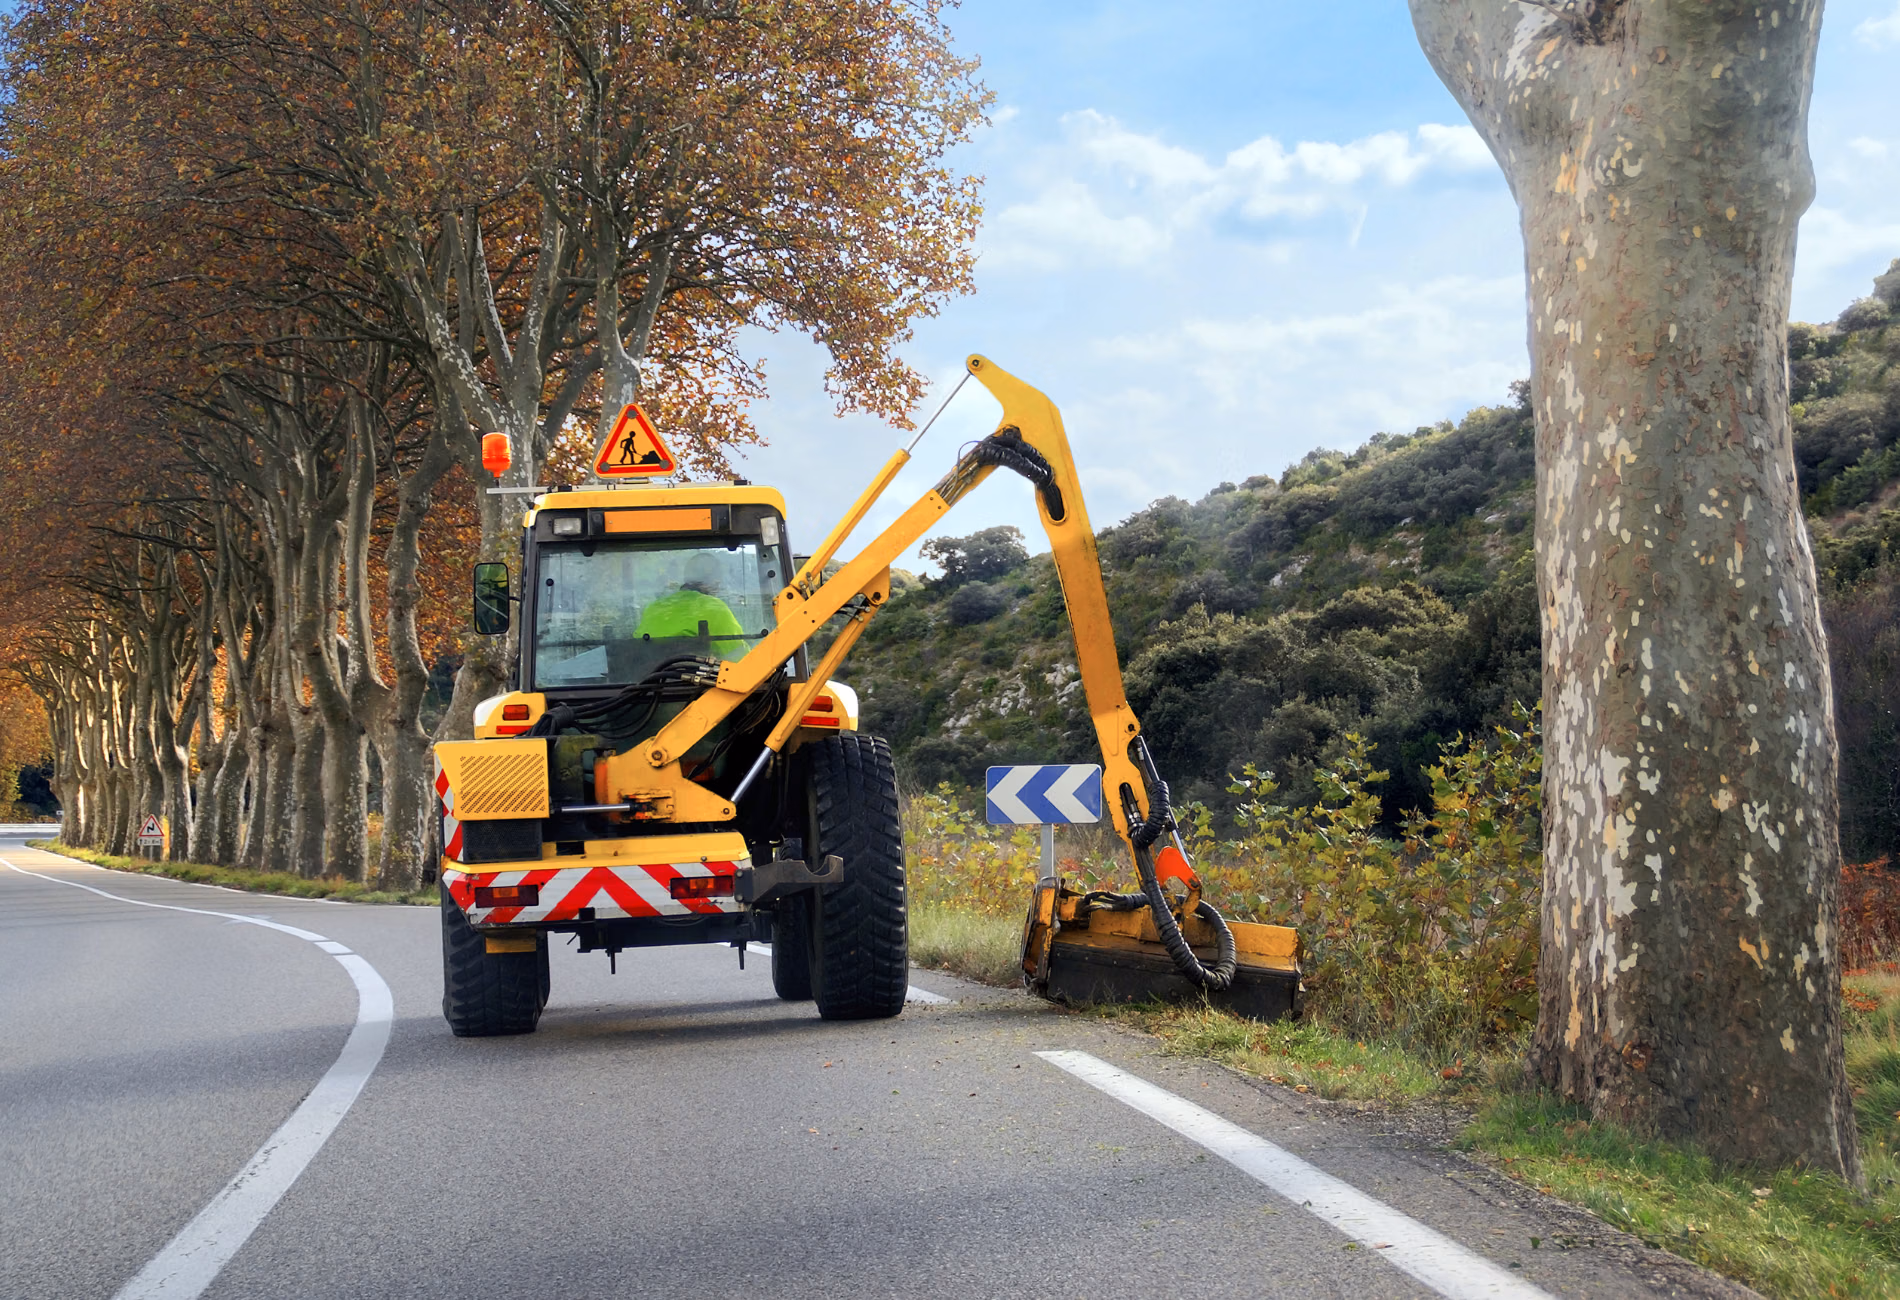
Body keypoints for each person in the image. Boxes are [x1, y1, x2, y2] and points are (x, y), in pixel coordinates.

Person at [634, 551, 745, 655]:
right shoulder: (715, 609)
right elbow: (741, 656)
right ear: (715, 581)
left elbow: (635, 647)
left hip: (649, 674)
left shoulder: (654, 608)